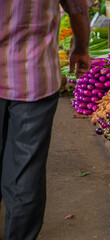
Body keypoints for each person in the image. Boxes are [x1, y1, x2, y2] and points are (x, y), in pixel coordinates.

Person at [0, 0, 93, 239]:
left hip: (32, 79)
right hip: (34, 75)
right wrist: (81, 48)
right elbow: (79, 8)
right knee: (26, 170)